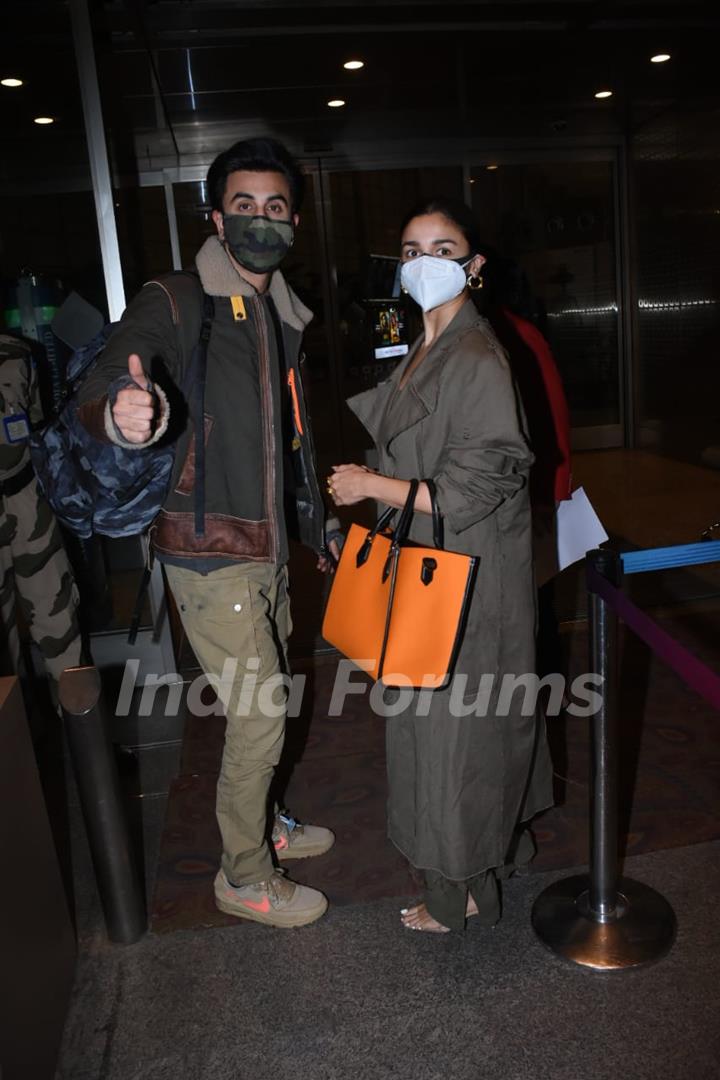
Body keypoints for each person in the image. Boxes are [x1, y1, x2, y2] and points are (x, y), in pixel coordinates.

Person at [76, 138, 340, 929]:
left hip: (266, 546)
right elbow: (109, 377)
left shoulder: (280, 313)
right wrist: (124, 416)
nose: (262, 220)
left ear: (295, 219)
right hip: (206, 549)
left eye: (277, 206)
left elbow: (287, 436)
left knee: (272, 697)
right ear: (215, 215)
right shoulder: (178, 296)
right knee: (260, 713)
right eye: (245, 205)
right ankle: (243, 872)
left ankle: (266, 821)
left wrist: (313, 522)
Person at [329, 198, 553, 933]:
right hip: (436, 571)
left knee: (459, 744)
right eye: (412, 247)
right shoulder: (426, 343)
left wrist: (369, 488)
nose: (425, 261)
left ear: (473, 266)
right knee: (452, 734)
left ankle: (459, 898)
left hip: (467, 579)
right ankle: (491, 860)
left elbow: (478, 482)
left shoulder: (478, 355)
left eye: (444, 247)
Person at [0, 334, 83, 699]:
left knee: (60, 621)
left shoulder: (16, 352)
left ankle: (85, 739)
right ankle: (18, 748)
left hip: (26, 499)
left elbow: (34, 424)